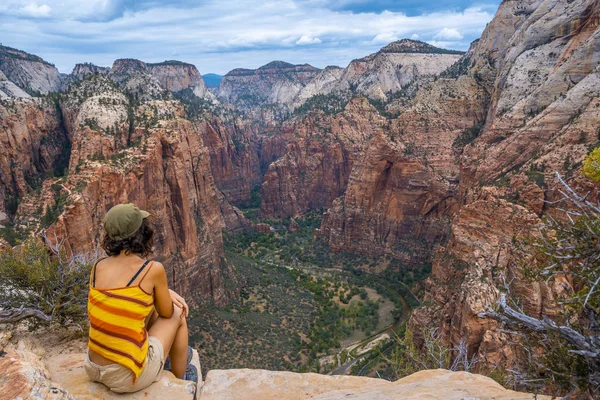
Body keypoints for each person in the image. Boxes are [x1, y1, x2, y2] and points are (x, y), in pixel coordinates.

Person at [84, 203, 195, 393]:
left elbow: (128, 296)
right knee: (179, 313)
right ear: (141, 233)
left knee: (143, 306)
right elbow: (167, 313)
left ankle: (165, 355)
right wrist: (165, 292)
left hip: (93, 367)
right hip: (126, 377)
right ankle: (180, 379)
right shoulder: (152, 270)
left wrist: (162, 292)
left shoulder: (98, 266)